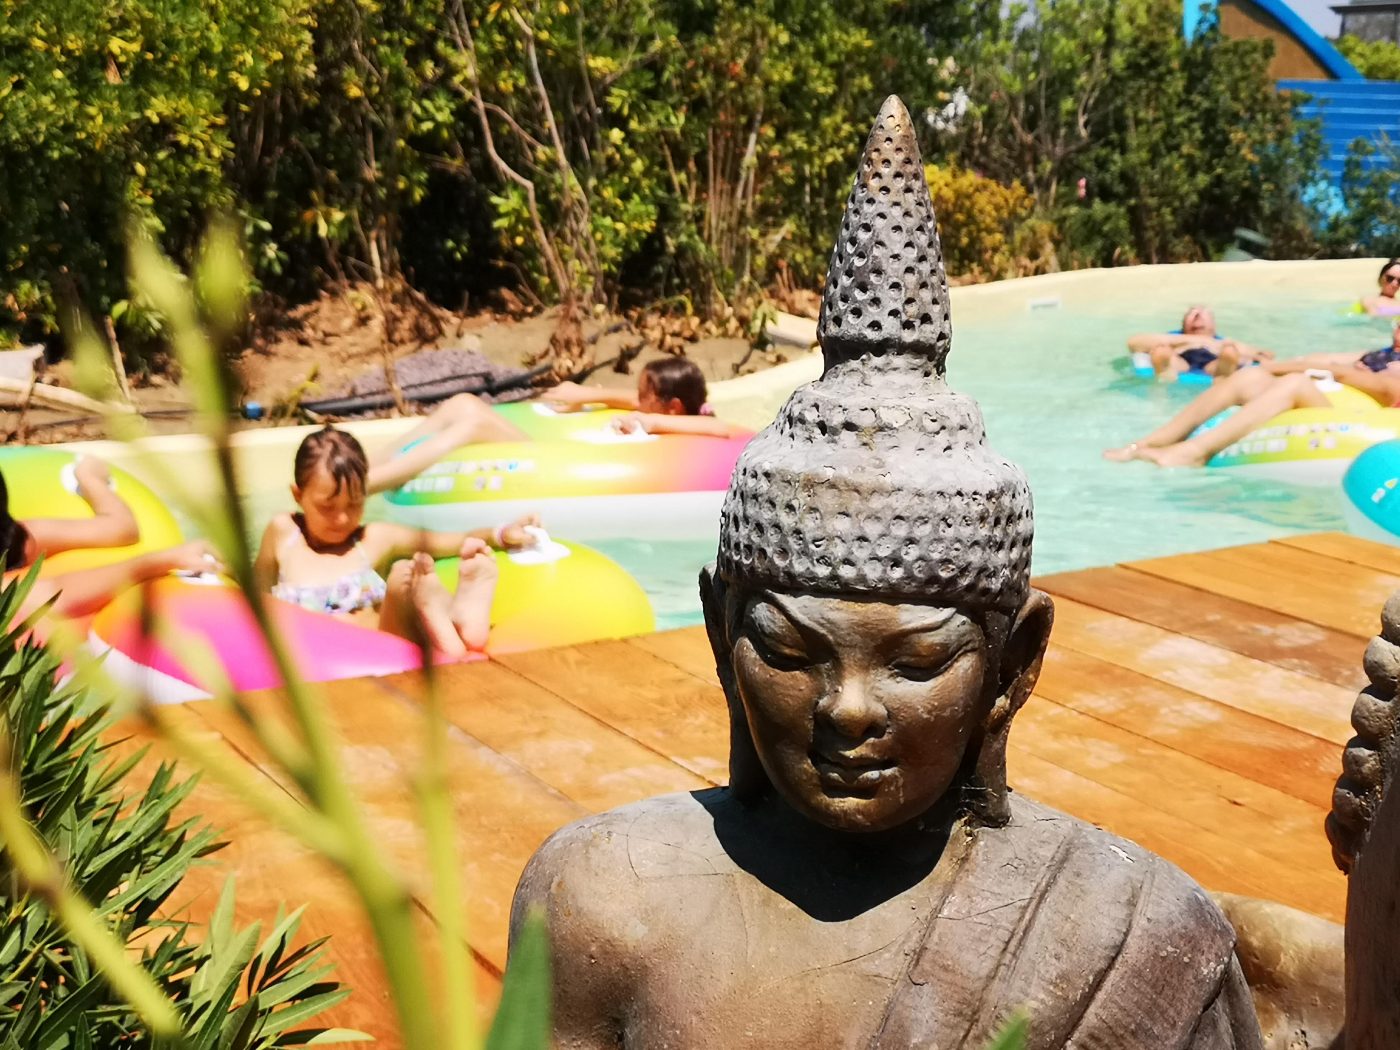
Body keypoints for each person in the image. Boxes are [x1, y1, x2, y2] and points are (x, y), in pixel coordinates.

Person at [508, 98, 1279, 1048]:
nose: (847, 710)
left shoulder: (1134, 935)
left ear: (1015, 664)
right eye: (789, 652)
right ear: (719, 632)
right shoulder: (601, 895)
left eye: (916, 663)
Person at [255, 425, 539, 656]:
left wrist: (500, 533)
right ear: (298, 495)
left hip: (380, 655)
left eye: (354, 504)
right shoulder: (283, 533)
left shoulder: (375, 538)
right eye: (327, 507)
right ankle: (451, 618)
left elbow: (452, 541)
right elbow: (255, 594)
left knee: (403, 578)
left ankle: (456, 612)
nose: (342, 518)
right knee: (403, 579)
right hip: (309, 660)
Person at [365, 357, 746, 494]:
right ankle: (370, 467)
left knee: (474, 424)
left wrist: (648, 419)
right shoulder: (673, 412)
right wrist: (586, 394)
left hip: (551, 469)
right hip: (558, 459)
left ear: (672, 407)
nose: (636, 400)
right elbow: (637, 403)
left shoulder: (700, 429)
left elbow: (723, 430)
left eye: (644, 395)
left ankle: (373, 483)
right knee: (463, 403)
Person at [1105, 322, 1400, 467]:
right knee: (1250, 377)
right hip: (1335, 402)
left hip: (1365, 426)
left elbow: (1356, 379)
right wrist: (1265, 365)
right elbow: (1325, 362)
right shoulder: (1375, 355)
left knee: (1296, 382)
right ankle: (1147, 443)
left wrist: (1278, 366)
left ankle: (1193, 453)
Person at [1, 457, 218, 625]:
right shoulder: (17, 540)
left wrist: (89, 479)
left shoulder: (16, 539)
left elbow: (121, 530)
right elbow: (55, 597)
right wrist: (159, 560)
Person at [1126, 305, 1273, 381]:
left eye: (1203, 314)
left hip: (1213, 362)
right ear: (1183, 325)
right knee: (1163, 352)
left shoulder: (1223, 342)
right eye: (1192, 314)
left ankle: (1224, 372)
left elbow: (1265, 355)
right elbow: (1134, 342)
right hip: (1181, 358)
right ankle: (1166, 370)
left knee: (1228, 353)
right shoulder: (1174, 337)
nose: (1197, 317)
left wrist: (1255, 356)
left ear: (1213, 326)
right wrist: (1197, 340)